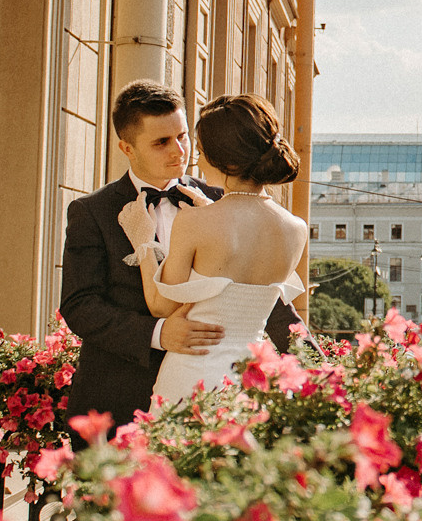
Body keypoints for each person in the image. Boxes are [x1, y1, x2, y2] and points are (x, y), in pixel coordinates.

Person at [61, 81, 295, 427]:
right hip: (117, 402)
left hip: (213, 399)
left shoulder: (226, 199)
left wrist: (310, 358)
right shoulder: (92, 211)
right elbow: (80, 305)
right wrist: (157, 333)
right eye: (161, 142)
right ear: (127, 147)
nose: (179, 151)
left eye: (183, 136)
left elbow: (261, 294)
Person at [123, 92, 311, 401]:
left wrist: (143, 242)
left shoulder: (195, 222)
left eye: (200, 150)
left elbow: (160, 305)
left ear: (224, 158)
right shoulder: (296, 228)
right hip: (251, 382)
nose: (196, 159)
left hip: (191, 377)